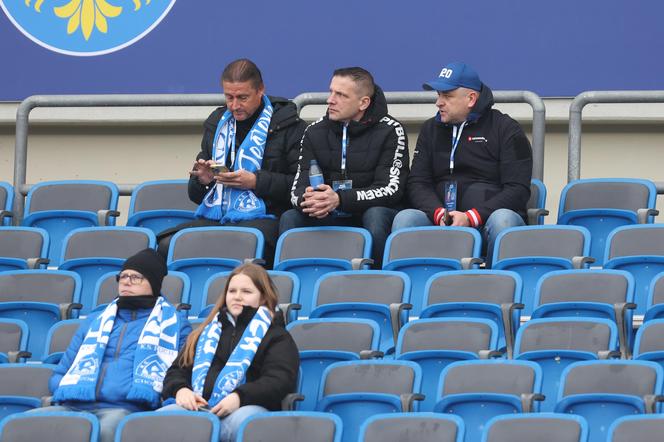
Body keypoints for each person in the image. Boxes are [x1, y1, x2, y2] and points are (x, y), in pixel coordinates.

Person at [156, 59, 308, 268]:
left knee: (246, 243)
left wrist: (256, 182)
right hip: (218, 217)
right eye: (229, 97)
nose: (235, 105)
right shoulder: (217, 124)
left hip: (268, 216)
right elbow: (195, 196)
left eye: (242, 97)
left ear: (260, 90)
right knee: (166, 244)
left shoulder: (289, 126)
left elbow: (301, 187)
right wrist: (204, 181)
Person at [41, 249, 192, 442]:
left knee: (105, 431)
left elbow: (176, 374)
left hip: (125, 409)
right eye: (123, 276)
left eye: (136, 277)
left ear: (153, 283)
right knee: (26, 423)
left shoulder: (174, 324)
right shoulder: (95, 320)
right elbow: (62, 371)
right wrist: (68, 390)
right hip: (73, 405)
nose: (127, 281)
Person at [392, 62, 532, 264]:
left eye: (447, 96)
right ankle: (412, 287)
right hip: (441, 220)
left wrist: (472, 217)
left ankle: (496, 284)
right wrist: (438, 213)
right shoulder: (430, 129)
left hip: (486, 220)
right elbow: (417, 182)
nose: (439, 103)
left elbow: (518, 190)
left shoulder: (507, 129)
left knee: (503, 220)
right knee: (405, 219)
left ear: (471, 99)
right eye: (438, 95)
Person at [279, 67, 409, 267]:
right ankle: (297, 282)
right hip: (328, 214)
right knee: (291, 217)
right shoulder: (314, 131)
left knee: (376, 215)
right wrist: (310, 201)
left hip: (366, 213)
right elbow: (297, 187)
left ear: (363, 103)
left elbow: (391, 189)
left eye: (340, 95)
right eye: (331, 92)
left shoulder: (391, 130)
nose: (330, 100)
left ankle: (379, 280)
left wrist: (340, 199)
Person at [159, 263, 299, 442]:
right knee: (157, 420)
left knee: (242, 424)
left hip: (245, 408)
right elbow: (176, 371)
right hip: (198, 408)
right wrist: (181, 390)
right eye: (232, 291)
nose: (237, 297)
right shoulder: (204, 333)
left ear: (263, 297)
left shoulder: (276, 336)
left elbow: (279, 380)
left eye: (246, 292)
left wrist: (239, 397)